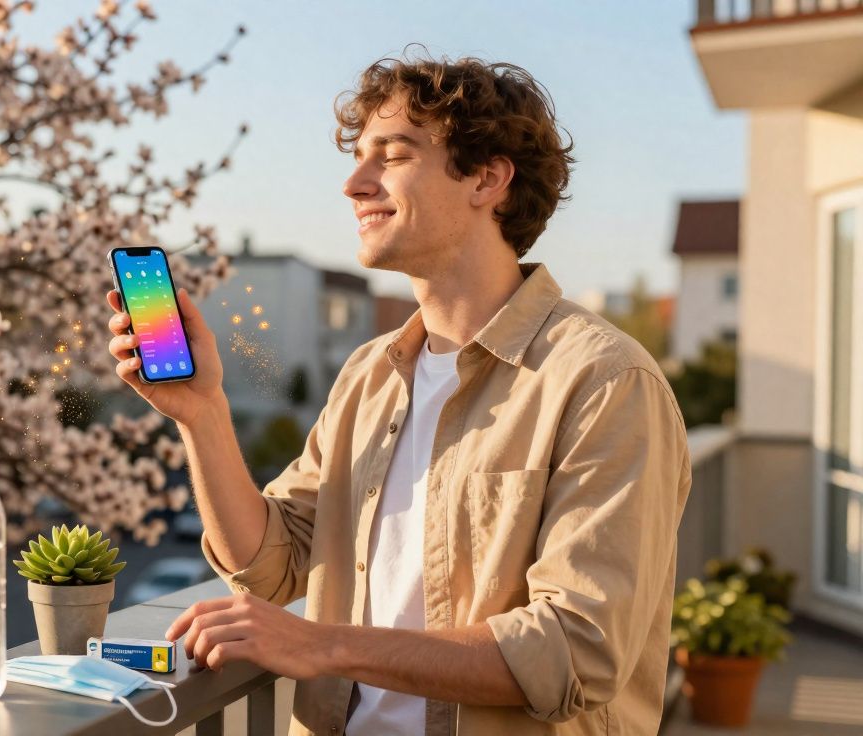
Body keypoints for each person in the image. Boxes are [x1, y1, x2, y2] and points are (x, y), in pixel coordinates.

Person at [104, 51, 691, 736]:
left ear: (487, 178)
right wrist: (202, 415)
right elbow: (272, 566)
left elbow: (575, 650)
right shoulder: (369, 375)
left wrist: (323, 645)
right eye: (359, 158)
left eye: (393, 156)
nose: (355, 185)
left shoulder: (603, 382)